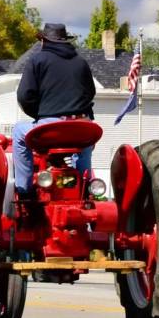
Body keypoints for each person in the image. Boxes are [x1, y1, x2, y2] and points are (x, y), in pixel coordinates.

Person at [13, 23, 96, 195]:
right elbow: (90, 92)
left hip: (52, 128)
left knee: (18, 131)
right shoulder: (81, 62)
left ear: (44, 41)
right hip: (80, 126)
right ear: (65, 41)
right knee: (85, 144)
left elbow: (24, 95)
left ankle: (24, 190)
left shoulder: (38, 60)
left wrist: (39, 114)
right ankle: (84, 188)